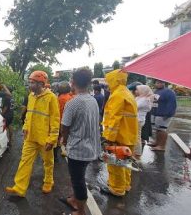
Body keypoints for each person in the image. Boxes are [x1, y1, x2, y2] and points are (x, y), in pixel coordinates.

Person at [5, 71, 60, 197]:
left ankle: (48, 182)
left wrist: (52, 139)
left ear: (41, 83)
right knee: (25, 161)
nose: (30, 85)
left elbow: (56, 120)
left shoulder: (51, 98)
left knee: (48, 162)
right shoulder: (31, 96)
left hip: (45, 138)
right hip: (30, 136)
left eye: (32, 82)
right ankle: (19, 187)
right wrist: (25, 127)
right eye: (29, 82)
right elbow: (29, 114)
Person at [59, 68, 101, 215]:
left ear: (73, 82)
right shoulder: (93, 100)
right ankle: (74, 199)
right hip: (91, 147)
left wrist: (63, 141)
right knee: (78, 176)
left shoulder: (73, 103)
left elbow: (65, 126)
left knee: (78, 181)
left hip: (78, 150)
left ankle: (80, 211)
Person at [101, 69, 138, 197]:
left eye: (109, 81)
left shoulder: (117, 95)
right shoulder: (127, 93)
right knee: (126, 163)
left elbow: (114, 118)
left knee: (115, 164)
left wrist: (109, 139)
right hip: (129, 135)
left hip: (119, 137)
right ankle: (125, 185)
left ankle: (116, 189)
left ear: (114, 80)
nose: (107, 84)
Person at [148, 80, 177, 151]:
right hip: (156, 114)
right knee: (157, 129)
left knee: (162, 130)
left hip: (163, 114)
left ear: (164, 83)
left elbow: (172, 104)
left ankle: (162, 146)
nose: (159, 84)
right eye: (157, 83)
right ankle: (157, 143)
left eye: (161, 83)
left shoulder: (169, 92)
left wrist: (168, 114)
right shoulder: (155, 91)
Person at [133, 85, 154, 160]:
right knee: (136, 136)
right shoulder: (141, 98)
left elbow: (134, 106)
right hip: (137, 119)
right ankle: (135, 152)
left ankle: (137, 154)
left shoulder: (145, 100)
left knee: (137, 137)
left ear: (143, 91)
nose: (136, 91)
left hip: (139, 120)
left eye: (138, 90)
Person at [54, 81, 73, 161]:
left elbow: (56, 111)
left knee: (56, 139)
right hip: (69, 122)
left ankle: (54, 155)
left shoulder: (60, 98)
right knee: (64, 139)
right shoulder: (70, 97)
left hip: (60, 122)